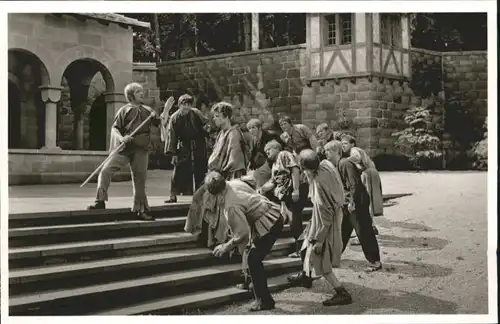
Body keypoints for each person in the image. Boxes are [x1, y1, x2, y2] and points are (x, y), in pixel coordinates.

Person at [207, 171, 284, 312]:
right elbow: (252, 181)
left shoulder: (230, 206)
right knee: (251, 255)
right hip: (272, 212)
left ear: (215, 194)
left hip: (268, 222)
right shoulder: (233, 182)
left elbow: (242, 233)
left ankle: (264, 301)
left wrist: (226, 246)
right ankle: (253, 286)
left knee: (254, 259)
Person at [87, 82, 160, 221]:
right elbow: (115, 129)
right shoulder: (124, 110)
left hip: (141, 150)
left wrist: (162, 114)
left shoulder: (147, 111)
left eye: (141, 91)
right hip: (124, 148)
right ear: (131, 95)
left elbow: (159, 123)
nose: (142, 93)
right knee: (105, 170)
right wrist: (122, 138)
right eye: (138, 92)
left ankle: (140, 210)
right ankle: (100, 201)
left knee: (139, 181)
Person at [292, 149, 353, 306]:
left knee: (322, 259)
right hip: (325, 216)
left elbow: (326, 215)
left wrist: (319, 239)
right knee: (304, 245)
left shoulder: (319, 185)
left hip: (326, 223)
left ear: (307, 169)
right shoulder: (325, 164)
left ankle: (342, 292)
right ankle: (306, 277)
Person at [324, 140, 382, 272]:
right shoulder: (338, 164)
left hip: (357, 203)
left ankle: (375, 261)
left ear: (336, 151)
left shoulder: (345, 163)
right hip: (348, 203)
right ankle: (334, 256)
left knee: (364, 231)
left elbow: (354, 184)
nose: (326, 153)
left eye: (328, 151)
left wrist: (352, 202)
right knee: (342, 231)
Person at [258, 140, 308, 259]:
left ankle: (303, 251)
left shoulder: (284, 154)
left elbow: (295, 169)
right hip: (286, 195)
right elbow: (274, 181)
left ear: (276, 147)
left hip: (294, 190)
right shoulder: (275, 163)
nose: (267, 153)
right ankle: (301, 249)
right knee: (290, 222)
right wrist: (262, 189)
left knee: (295, 222)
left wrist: (296, 189)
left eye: (268, 150)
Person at [164, 94, 210, 203]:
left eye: (188, 104)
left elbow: (206, 123)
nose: (186, 107)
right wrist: (174, 154)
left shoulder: (196, 113)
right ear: (179, 105)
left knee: (200, 171)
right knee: (178, 171)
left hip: (198, 145)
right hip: (183, 146)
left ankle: (201, 196)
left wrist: (207, 129)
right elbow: (172, 136)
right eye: (183, 104)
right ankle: (173, 195)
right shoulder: (174, 118)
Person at [341, 134, 383, 236]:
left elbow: (357, 157)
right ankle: (370, 227)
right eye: (342, 144)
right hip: (369, 173)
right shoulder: (353, 151)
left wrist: (345, 161)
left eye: (346, 143)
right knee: (367, 202)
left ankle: (369, 228)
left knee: (367, 202)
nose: (343, 146)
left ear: (352, 144)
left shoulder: (354, 150)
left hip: (368, 174)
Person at [247, 118, 284, 188]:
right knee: (251, 174)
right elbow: (253, 154)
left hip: (278, 160)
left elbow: (278, 149)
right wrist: (251, 166)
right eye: (249, 129)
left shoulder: (270, 135)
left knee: (258, 174)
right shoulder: (254, 139)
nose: (251, 130)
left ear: (259, 127)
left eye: (253, 127)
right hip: (268, 161)